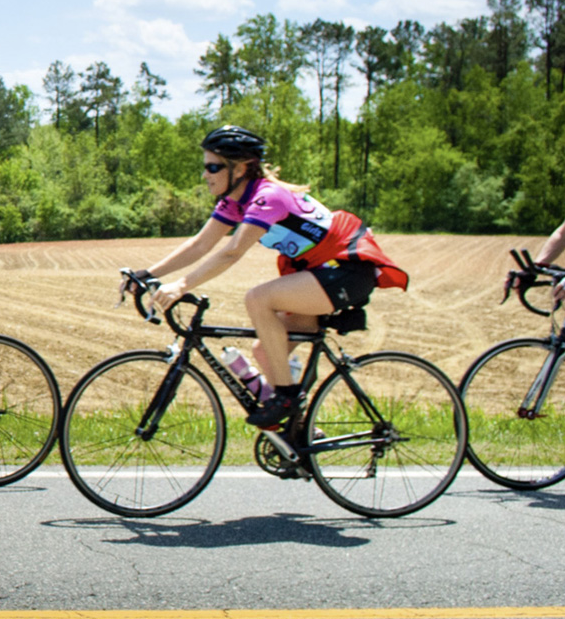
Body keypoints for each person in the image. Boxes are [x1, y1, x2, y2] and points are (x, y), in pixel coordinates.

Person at [144, 125, 407, 430]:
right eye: (205, 167)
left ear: (240, 168)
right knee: (266, 350)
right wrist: (147, 274)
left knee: (258, 298)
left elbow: (232, 251)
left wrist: (180, 285)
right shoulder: (235, 200)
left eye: (213, 167)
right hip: (319, 271)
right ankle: (300, 433)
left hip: (344, 271)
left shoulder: (268, 197)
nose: (205, 175)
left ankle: (287, 399)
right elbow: (200, 244)